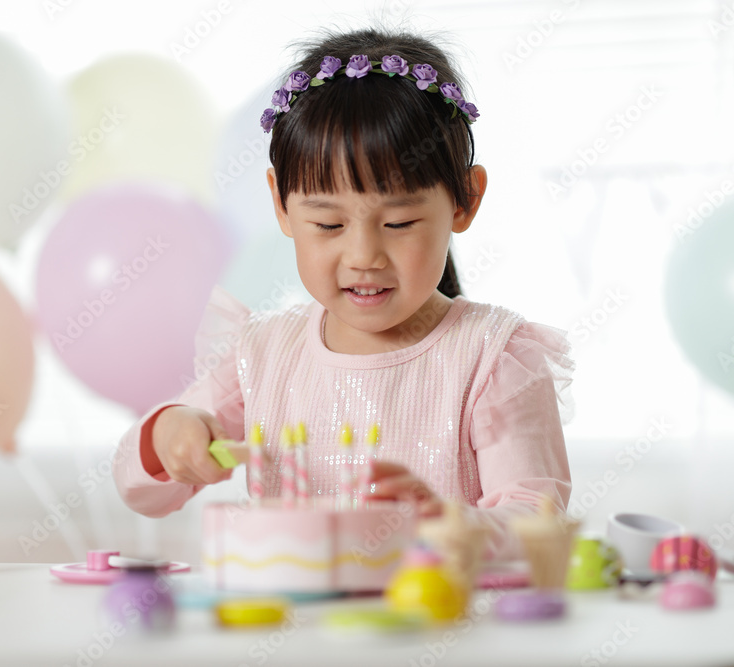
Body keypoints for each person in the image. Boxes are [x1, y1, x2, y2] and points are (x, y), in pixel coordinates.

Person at [113, 27, 574, 560]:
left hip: (442, 631)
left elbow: (537, 522)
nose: (363, 256)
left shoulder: (493, 358)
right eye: (329, 225)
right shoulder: (260, 355)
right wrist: (171, 434)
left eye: (399, 222)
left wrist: (447, 523)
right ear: (282, 207)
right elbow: (140, 489)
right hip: (290, 635)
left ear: (464, 202)